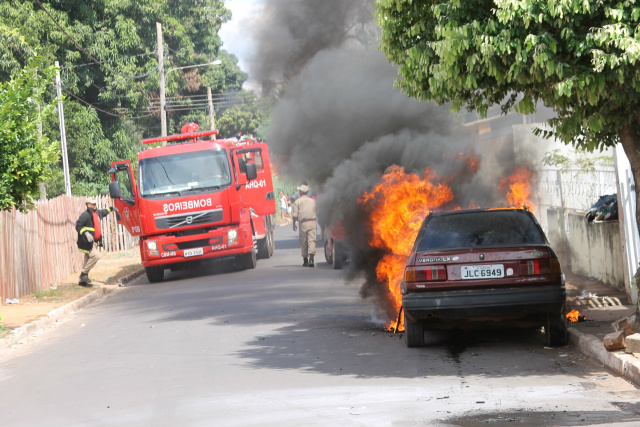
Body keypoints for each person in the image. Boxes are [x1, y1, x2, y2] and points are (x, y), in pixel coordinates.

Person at [75, 197, 115, 287]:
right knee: (95, 256)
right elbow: (78, 226)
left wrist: (111, 209)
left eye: (95, 204)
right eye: (93, 204)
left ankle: (82, 282)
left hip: (94, 242)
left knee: (86, 261)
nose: (95, 205)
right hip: (87, 242)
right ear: (88, 205)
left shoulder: (97, 213)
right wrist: (86, 233)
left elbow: (104, 212)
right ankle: (83, 274)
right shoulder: (85, 215)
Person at [292, 185, 317, 267]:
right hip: (311, 222)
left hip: (303, 223)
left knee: (303, 240)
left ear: (300, 192)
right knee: (311, 240)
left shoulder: (297, 202)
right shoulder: (313, 201)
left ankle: (305, 260)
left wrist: (294, 224)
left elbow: (295, 214)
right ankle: (312, 259)